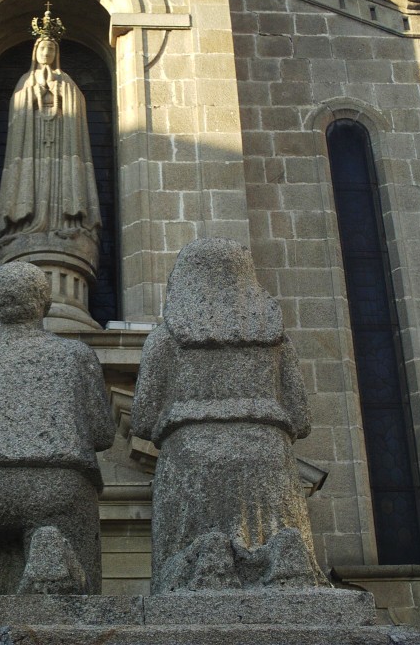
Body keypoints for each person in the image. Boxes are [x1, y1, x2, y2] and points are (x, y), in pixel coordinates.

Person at [131, 239, 326, 592]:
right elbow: (301, 418)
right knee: (282, 567)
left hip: (190, 459)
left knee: (192, 574)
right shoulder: (277, 342)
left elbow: (142, 420)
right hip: (267, 456)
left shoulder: (164, 340)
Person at [0, 261, 115, 593]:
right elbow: (102, 433)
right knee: (72, 589)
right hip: (61, 486)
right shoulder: (76, 355)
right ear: (46, 304)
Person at [0, 7, 101, 258]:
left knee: (60, 183)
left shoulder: (66, 81)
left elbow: (76, 106)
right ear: (35, 51)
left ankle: (66, 224)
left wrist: (60, 92)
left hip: (62, 142)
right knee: (33, 183)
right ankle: (25, 227)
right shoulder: (25, 82)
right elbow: (18, 109)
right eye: (43, 48)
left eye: (51, 49)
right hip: (32, 142)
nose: (47, 52)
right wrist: (35, 94)